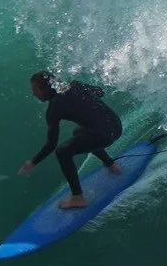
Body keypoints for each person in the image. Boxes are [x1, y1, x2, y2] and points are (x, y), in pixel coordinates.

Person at [19, 70, 124, 208]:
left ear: (45, 89)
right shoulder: (75, 85)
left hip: (104, 137)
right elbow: (100, 92)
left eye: (35, 90)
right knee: (78, 132)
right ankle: (111, 164)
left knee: (62, 152)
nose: (34, 94)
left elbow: (52, 144)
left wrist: (32, 162)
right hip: (116, 126)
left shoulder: (54, 108)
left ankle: (77, 197)